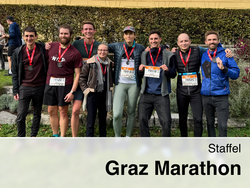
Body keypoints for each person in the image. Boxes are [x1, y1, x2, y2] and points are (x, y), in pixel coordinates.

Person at [172, 33, 233, 137]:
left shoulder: (198, 50)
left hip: (196, 91)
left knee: (198, 119)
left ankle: (197, 144)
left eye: (186, 41)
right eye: (181, 41)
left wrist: (226, 48)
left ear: (190, 42)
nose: (184, 43)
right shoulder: (174, 54)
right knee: (182, 118)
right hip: (181, 90)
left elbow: (213, 49)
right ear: (177, 43)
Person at [43, 24, 82, 137]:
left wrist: (72, 91)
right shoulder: (51, 47)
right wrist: (45, 45)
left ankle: (62, 137)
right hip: (50, 83)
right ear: (58, 34)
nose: (63, 35)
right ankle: (55, 135)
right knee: (51, 111)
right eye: (61, 33)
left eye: (66, 33)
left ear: (70, 35)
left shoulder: (75, 53)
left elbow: (78, 74)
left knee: (63, 111)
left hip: (65, 85)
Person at [201, 30, 240, 137]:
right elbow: (186, 48)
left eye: (214, 39)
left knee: (222, 126)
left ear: (218, 41)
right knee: (209, 124)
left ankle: (221, 149)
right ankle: (212, 148)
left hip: (221, 96)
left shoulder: (226, 55)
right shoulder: (203, 55)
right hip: (206, 96)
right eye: (209, 40)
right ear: (206, 42)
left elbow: (236, 74)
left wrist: (224, 68)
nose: (212, 41)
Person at [108, 26, 145, 137]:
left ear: (134, 35)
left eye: (131, 33)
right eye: (126, 33)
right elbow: (100, 47)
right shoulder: (117, 46)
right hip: (120, 83)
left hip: (134, 84)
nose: (128, 35)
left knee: (131, 111)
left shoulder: (140, 48)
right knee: (117, 114)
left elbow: (152, 51)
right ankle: (117, 137)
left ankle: (128, 137)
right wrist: (86, 39)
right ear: (123, 35)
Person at [138, 30, 176, 137]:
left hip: (161, 94)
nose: (153, 41)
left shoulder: (169, 55)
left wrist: (168, 70)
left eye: (156, 38)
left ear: (160, 39)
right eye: (151, 39)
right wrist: (140, 70)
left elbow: (173, 74)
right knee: (142, 119)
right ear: (149, 40)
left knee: (166, 121)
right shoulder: (144, 54)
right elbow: (140, 75)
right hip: (146, 93)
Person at [11, 26, 47, 137]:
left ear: (36, 36)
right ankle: (21, 138)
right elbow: (15, 73)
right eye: (26, 36)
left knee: (37, 114)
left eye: (31, 36)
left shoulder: (42, 49)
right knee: (21, 115)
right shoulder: (18, 52)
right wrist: (15, 89)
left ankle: (33, 136)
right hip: (24, 87)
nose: (29, 38)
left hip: (40, 87)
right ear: (23, 37)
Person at [79, 44, 113, 137]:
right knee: (91, 120)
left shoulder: (110, 63)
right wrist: (86, 90)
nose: (103, 52)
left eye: (105, 50)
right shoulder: (90, 62)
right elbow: (82, 78)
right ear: (97, 51)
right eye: (101, 50)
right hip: (93, 94)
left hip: (105, 94)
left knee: (103, 119)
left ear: (108, 52)